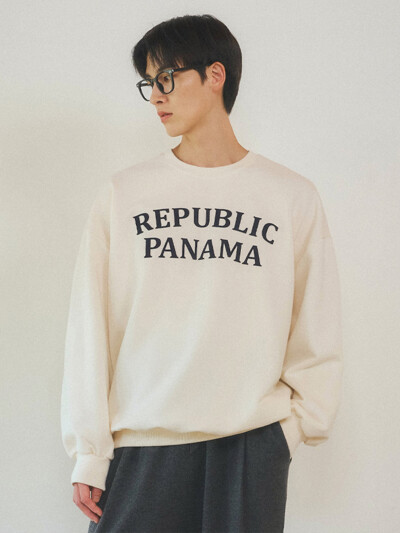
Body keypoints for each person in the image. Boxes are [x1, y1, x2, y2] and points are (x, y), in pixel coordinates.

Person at [61, 13, 343, 533]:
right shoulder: (125, 193)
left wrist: (294, 429)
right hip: (144, 444)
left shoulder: (289, 195)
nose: (155, 96)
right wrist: (89, 452)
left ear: (215, 75)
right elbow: (90, 327)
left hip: (250, 447)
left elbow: (316, 324)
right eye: (149, 83)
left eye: (166, 78)